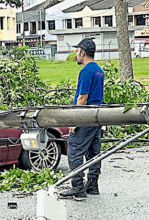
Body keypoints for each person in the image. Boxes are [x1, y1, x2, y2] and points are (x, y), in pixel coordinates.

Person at [59, 38, 104, 201]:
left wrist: (74, 121)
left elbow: (82, 97)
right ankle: (92, 184)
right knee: (94, 152)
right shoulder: (99, 70)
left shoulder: (86, 71)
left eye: (77, 51)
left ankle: (78, 187)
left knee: (74, 150)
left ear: (83, 52)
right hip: (97, 116)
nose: (76, 54)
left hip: (85, 116)